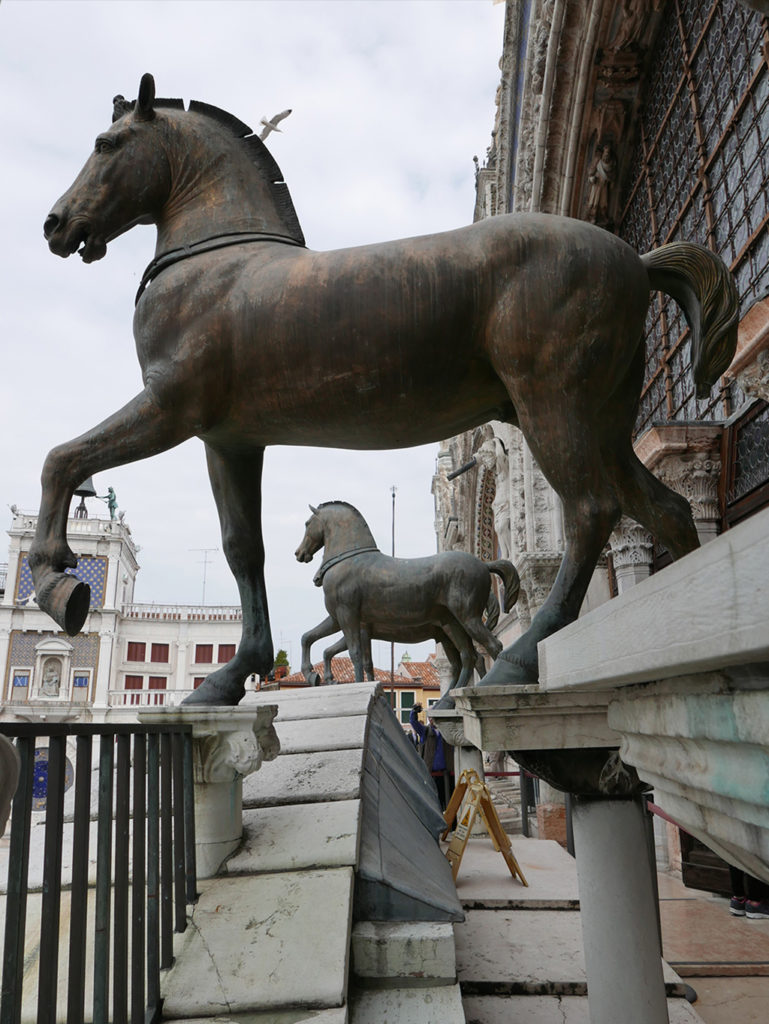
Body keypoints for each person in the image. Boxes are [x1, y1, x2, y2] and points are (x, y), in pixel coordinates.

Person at [410, 702, 455, 811]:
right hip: (432, 774)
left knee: (451, 803)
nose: (431, 720)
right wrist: (414, 711)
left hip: (448, 773)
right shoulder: (425, 731)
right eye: (430, 717)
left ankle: (452, 825)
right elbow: (413, 722)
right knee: (435, 803)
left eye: (434, 717)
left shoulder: (447, 732)